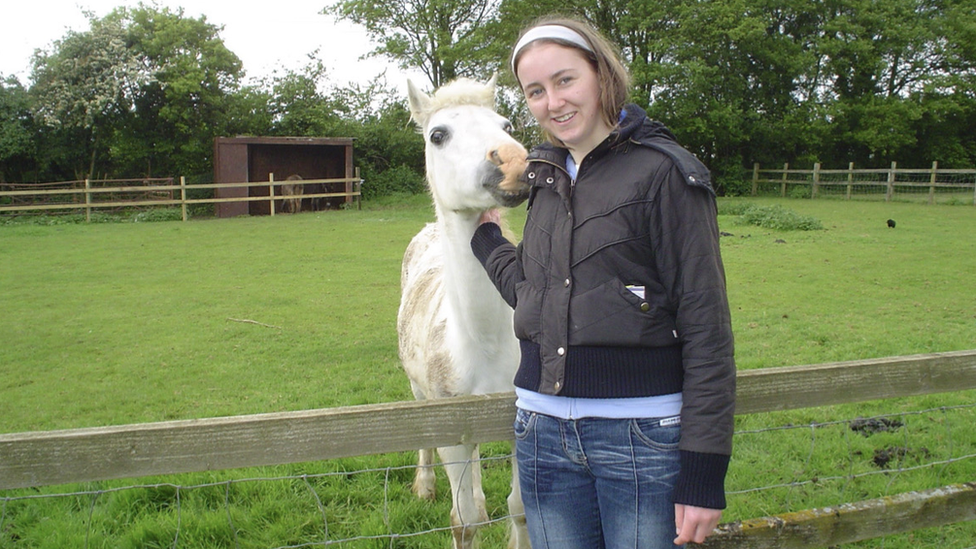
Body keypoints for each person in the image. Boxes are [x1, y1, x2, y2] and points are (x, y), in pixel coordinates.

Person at [470, 16, 736, 548]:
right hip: (540, 432)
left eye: (565, 80)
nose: (553, 102)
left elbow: (706, 326)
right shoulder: (544, 177)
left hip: (638, 437)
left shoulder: (664, 174)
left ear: (601, 73)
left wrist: (704, 474)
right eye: (536, 91)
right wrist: (488, 243)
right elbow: (535, 294)